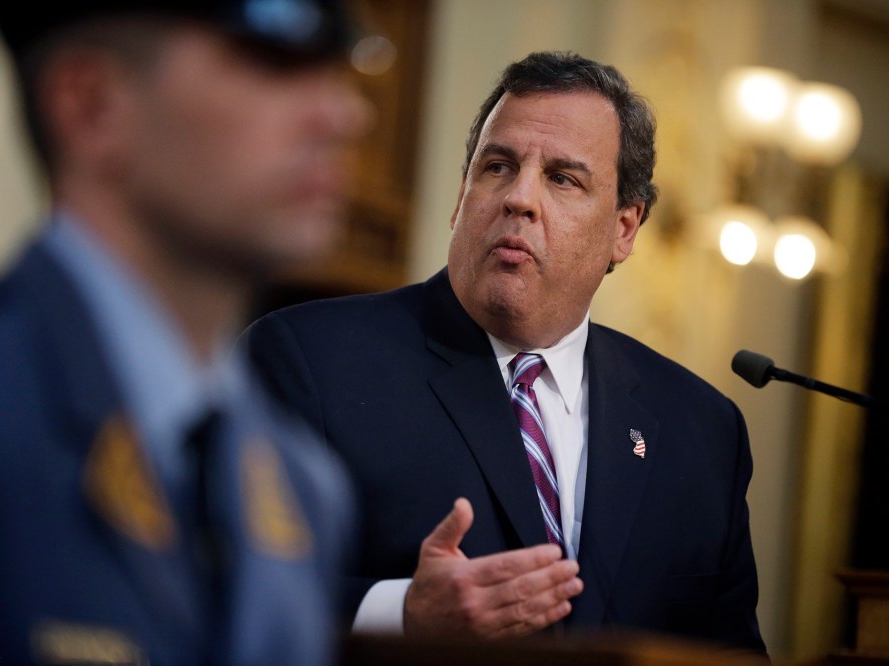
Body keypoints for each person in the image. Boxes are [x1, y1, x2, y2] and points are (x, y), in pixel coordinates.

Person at [244, 51, 766, 653]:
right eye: (498, 167)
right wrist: (403, 614)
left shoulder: (701, 429)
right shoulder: (311, 360)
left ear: (624, 229)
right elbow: (227, 588)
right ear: (460, 197)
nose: (519, 198)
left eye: (562, 179)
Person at [0, 1, 369, 664]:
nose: (344, 116)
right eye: (272, 63)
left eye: (331, 72)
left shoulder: (304, 487)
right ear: (92, 107)